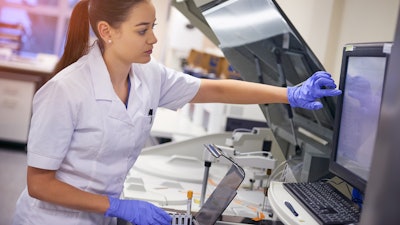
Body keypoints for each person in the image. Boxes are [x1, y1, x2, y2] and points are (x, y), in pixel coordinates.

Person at [12, 0, 342, 225]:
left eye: (153, 26)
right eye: (143, 30)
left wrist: (288, 93)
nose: (153, 38)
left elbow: (214, 89)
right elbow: (40, 183)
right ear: (107, 31)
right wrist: (117, 205)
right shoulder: (65, 91)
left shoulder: (147, 74)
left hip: (98, 216)